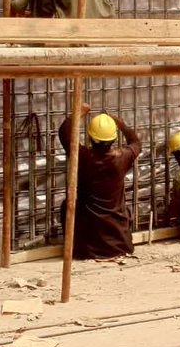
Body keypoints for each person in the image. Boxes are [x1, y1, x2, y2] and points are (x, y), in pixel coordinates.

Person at [56, 105, 141, 259]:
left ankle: (71, 244)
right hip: (120, 244)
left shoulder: (83, 157)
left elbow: (64, 134)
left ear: (90, 137)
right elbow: (136, 143)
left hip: (88, 248)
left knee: (66, 205)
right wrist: (121, 124)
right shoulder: (122, 158)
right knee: (125, 209)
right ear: (114, 138)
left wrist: (78, 113)